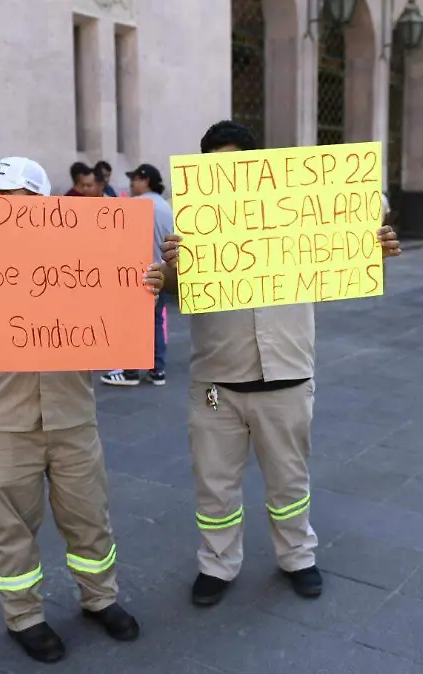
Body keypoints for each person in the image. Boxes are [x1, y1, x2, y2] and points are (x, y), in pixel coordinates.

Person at [0, 156, 164, 663]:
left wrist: (145, 290)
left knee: (89, 516)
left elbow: (119, 320)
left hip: (72, 415)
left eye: (10, 196)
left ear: (42, 205)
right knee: (11, 528)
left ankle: (100, 598)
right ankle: (23, 616)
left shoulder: (86, 255)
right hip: (3, 420)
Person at [159, 120, 401, 607]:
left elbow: (363, 206)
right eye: (216, 165)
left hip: (287, 377)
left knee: (290, 479)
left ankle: (297, 556)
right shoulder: (188, 223)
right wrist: (170, 268)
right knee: (214, 483)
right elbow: (171, 290)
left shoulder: (294, 209)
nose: (227, 173)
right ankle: (217, 564)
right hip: (215, 386)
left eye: (236, 163)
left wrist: (375, 241)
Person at [101, 163, 174, 386]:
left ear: (146, 180)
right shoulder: (165, 206)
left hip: (137, 274)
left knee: (131, 323)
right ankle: (157, 370)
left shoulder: (136, 205)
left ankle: (130, 371)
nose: (131, 183)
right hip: (161, 273)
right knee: (155, 322)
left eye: (135, 179)